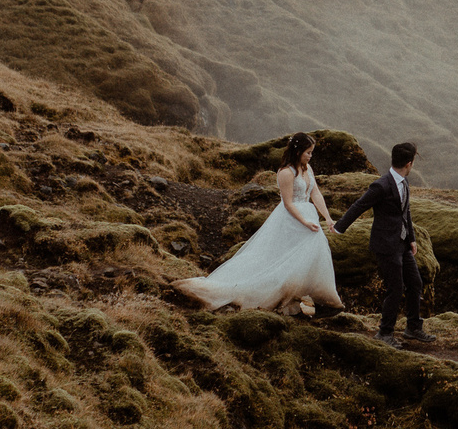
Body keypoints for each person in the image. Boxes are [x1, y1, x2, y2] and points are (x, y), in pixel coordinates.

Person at [170, 133, 344, 315]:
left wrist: (327, 217)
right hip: (293, 220)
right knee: (285, 259)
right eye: (308, 152)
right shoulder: (286, 172)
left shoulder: (308, 169)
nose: (310, 156)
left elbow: (315, 193)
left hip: (309, 217)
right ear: (298, 151)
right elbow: (288, 203)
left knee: (313, 255)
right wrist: (305, 222)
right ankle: (281, 297)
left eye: (311, 152)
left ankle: (321, 300)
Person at [337, 141, 424, 344]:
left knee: (415, 282)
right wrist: (340, 227)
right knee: (395, 288)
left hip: (401, 243)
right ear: (409, 164)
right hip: (386, 244)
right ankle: (385, 333)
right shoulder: (382, 185)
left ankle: (413, 328)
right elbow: (359, 206)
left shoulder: (403, 181)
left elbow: (406, 212)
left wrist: (411, 239)